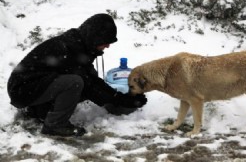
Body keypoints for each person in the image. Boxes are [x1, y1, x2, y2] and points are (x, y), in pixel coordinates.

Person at [7, 13, 147, 137]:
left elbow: (91, 79)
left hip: (32, 86)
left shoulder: (78, 44)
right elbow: (90, 85)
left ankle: (38, 111)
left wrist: (118, 98)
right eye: (105, 42)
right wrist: (120, 100)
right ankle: (55, 125)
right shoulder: (69, 49)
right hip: (22, 89)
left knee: (80, 83)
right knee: (75, 83)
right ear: (94, 38)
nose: (108, 46)